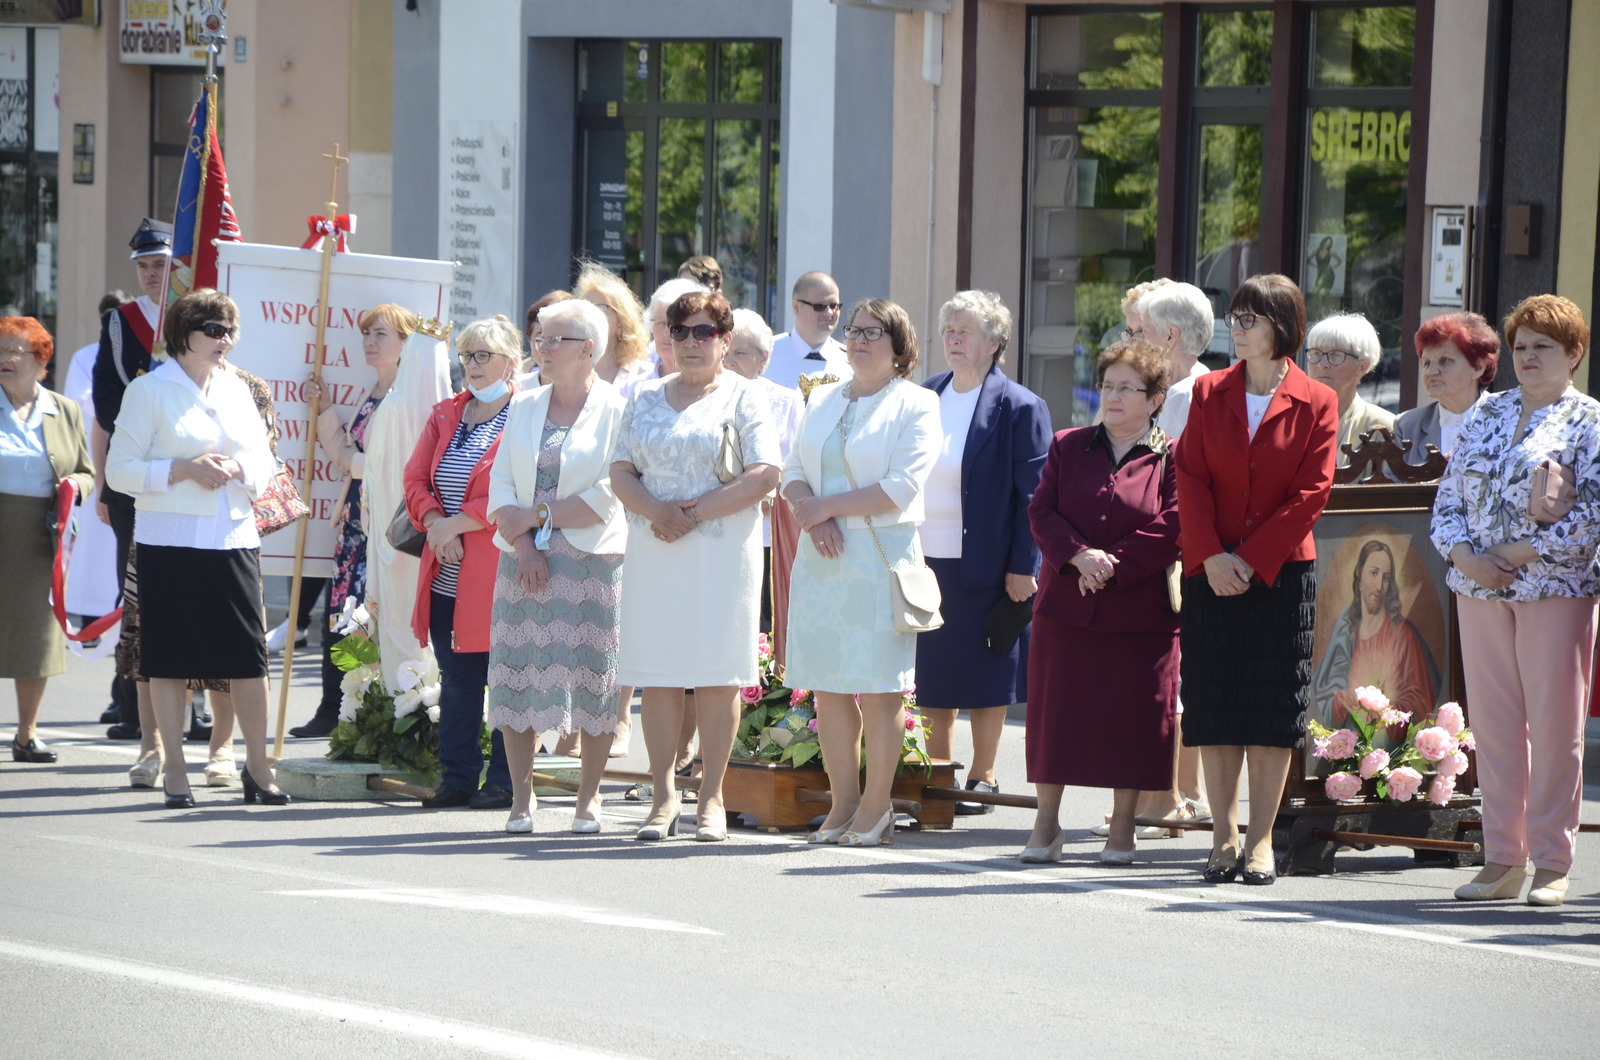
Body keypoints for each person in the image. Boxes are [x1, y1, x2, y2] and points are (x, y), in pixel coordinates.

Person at [1431, 294, 1600, 908]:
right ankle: (1503, 858)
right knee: (1496, 730)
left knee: (1556, 730)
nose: (1528, 357)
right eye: (1521, 346)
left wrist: (1519, 553)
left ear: (1574, 354)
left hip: (1555, 589)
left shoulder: (1590, 422)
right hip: (1477, 589)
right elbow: (1447, 501)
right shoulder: (1486, 414)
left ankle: (1552, 861)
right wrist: (1466, 557)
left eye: (1543, 348)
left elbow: (1591, 519)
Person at [1175, 274, 1338, 885]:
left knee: (1272, 709)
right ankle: (1223, 835)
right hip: (1209, 571)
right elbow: (1188, 477)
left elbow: (1311, 493)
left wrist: (1250, 558)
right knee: (1216, 705)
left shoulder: (1318, 399)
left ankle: (1263, 840)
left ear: (1282, 326)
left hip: (1279, 575)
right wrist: (1212, 555)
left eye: (1249, 319)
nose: (1236, 329)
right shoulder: (1210, 391)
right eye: (1234, 318)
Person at [104, 289, 287, 808]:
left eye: (229, 329)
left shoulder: (238, 389)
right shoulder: (150, 390)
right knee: (169, 660)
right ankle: (176, 771)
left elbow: (266, 461)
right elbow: (118, 471)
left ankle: (257, 767)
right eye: (213, 329)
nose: (224, 339)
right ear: (183, 335)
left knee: (248, 658)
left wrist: (238, 469)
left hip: (232, 537)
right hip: (170, 541)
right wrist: (183, 469)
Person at [611, 290, 781, 842]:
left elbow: (764, 475)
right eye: (680, 331)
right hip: (654, 548)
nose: (690, 342)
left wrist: (694, 513)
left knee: (716, 678)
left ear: (726, 340)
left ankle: (711, 796)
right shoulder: (643, 398)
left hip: (721, 552)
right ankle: (662, 799)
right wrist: (660, 512)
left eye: (704, 332)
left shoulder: (745, 397)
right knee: (658, 677)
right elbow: (619, 472)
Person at [782, 298, 940, 847]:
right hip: (822, 557)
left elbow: (901, 486)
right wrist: (811, 512)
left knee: (878, 690)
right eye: (854, 330)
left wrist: (824, 509)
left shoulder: (917, 403)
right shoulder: (822, 397)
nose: (859, 339)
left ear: (900, 349)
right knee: (827, 686)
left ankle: (876, 808)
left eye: (874, 332)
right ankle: (843, 802)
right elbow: (794, 470)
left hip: (877, 557)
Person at [1023, 340, 1180, 864]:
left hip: (1139, 614)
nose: (1111, 396)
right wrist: (1079, 557)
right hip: (1066, 607)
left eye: (1126, 388)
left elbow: (1175, 523)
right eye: (1107, 385)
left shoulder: (1172, 456)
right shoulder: (1069, 446)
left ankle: (1123, 829)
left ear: (1154, 399)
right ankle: (1046, 825)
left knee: (1134, 720)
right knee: (1056, 716)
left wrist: (1114, 564)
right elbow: (1042, 512)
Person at [486, 299, 629, 833]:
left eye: (554, 341)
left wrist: (538, 515)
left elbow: (612, 491)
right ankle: (522, 799)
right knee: (517, 676)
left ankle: (588, 798)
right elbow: (500, 483)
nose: (540, 349)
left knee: (595, 679)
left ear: (587, 350)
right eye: (539, 339)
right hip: (525, 558)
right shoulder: (524, 403)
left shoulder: (617, 408)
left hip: (593, 559)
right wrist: (525, 544)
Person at [915, 291, 1050, 815]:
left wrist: (1024, 567)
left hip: (989, 565)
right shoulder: (926, 395)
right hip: (926, 561)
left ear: (994, 343)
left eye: (964, 331)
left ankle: (983, 775)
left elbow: (1034, 497)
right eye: (949, 329)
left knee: (988, 671)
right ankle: (938, 771)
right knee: (932, 674)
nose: (952, 338)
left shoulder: (1019, 405)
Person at [285, 304, 420, 738]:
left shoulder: (409, 396)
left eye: (381, 333)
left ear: (406, 342)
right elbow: (351, 454)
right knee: (345, 618)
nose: (370, 341)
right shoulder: (375, 390)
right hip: (356, 522)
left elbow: (387, 465)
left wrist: (350, 458)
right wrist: (325, 411)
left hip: (383, 522)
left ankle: (365, 710)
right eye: (366, 333)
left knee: (372, 617)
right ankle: (337, 705)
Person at [402, 317, 519, 810]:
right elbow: (414, 479)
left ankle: (505, 780)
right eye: (467, 356)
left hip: (496, 571)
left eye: (483, 355)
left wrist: (458, 525)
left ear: (511, 361)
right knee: (458, 678)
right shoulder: (446, 412)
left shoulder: (524, 414)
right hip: (445, 568)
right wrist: (434, 523)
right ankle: (456, 776)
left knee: (505, 676)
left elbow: (515, 491)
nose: (471, 365)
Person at [1119, 280, 1212, 833]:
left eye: (1138, 333)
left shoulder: (1179, 397)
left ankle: (1164, 797)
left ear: (1169, 337)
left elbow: (1157, 481)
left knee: (1168, 681)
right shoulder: (1197, 386)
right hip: (1188, 551)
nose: (1129, 344)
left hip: (1170, 554)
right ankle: (1185, 794)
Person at [92, 219, 173, 746]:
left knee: (185, 591)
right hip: (133, 476)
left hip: (189, 477)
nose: (150, 274)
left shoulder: (197, 319)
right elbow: (104, 405)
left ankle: (188, 706)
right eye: (144, 266)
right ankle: (129, 705)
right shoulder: (121, 323)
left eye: (160, 265)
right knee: (136, 591)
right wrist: (104, 483)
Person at [1, 317, 95, 763]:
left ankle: (26, 733)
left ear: (41, 361)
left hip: (39, 536)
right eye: (0, 350)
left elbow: (86, 472)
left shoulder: (64, 409)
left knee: (34, 637)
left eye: (15, 351)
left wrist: (72, 488)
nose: (5, 359)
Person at [724, 308, 803, 636]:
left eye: (740, 354)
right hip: (716, 534)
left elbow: (797, 469)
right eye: (725, 352)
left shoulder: (784, 401)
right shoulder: (702, 399)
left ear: (764, 358)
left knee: (764, 628)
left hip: (768, 534)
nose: (729, 361)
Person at [1309, 539, 1441, 733]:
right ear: (1359, 575)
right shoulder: (1345, 628)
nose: (1379, 585)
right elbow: (1322, 691)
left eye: (1386, 577)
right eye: (1374, 573)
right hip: (1347, 745)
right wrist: (1341, 701)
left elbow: (1421, 702)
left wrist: (1386, 712)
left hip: (1391, 748)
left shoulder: (1404, 636)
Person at [62, 292, 127, 672]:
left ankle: (124, 694)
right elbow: (80, 404)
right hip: (99, 470)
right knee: (98, 569)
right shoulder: (87, 357)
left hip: (131, 474)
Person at [1394, 312, 1499, 465]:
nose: (1431, 372)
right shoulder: (1406, 426)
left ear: (1478, 367)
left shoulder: (1508, 418)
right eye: (1427, 363)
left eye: (1445, 360)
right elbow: (1392, 487)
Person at [1305, 311, 1395, 467]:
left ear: (1361, 367)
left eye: (1335, 355)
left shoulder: (1382, 426)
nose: (1322, 364)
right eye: (1316, 353)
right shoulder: (1292, 419)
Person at [575, 262, 656, 397]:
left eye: (601, 308)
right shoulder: (569, 370)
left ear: (622, 321)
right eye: (585, 307)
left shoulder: (644, 374)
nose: (591, 314)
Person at [765, 271, 849, 390]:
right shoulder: (767, 354)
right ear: (796, 307)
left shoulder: (850, 360)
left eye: (834, 306)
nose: (829, 313)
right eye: (819, 306)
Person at [643, 277, 708, 381]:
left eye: (676, 326)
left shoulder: (713, 387)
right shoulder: (634, 387)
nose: (667, 333)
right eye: (661, 323)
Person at [519, 290, 574, 384]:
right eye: (540, 335)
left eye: (554, 338)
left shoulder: (597, 391)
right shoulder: (517, 390)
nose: (545, 346)